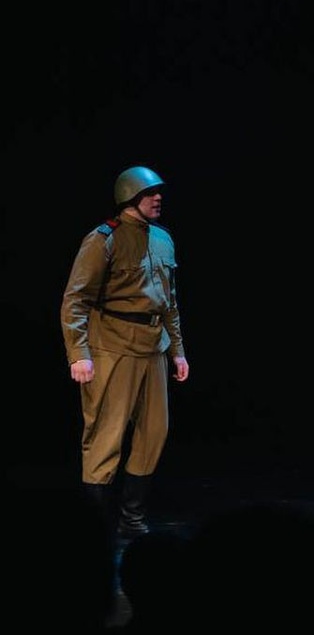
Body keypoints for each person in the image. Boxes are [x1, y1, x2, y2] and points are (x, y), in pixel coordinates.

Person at [61, 165, 190, 538]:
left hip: (153, 347)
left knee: (153, 433)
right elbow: (75, 300)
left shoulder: (163, 239)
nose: (158, 198)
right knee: (106, 435)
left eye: (159, 193)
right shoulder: (104, 239)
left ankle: (132, 519)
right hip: (112, 346)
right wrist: (79, 353)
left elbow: (170, 303)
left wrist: (178, 351)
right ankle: (93, 527)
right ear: (130, 197)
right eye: (150, 193)